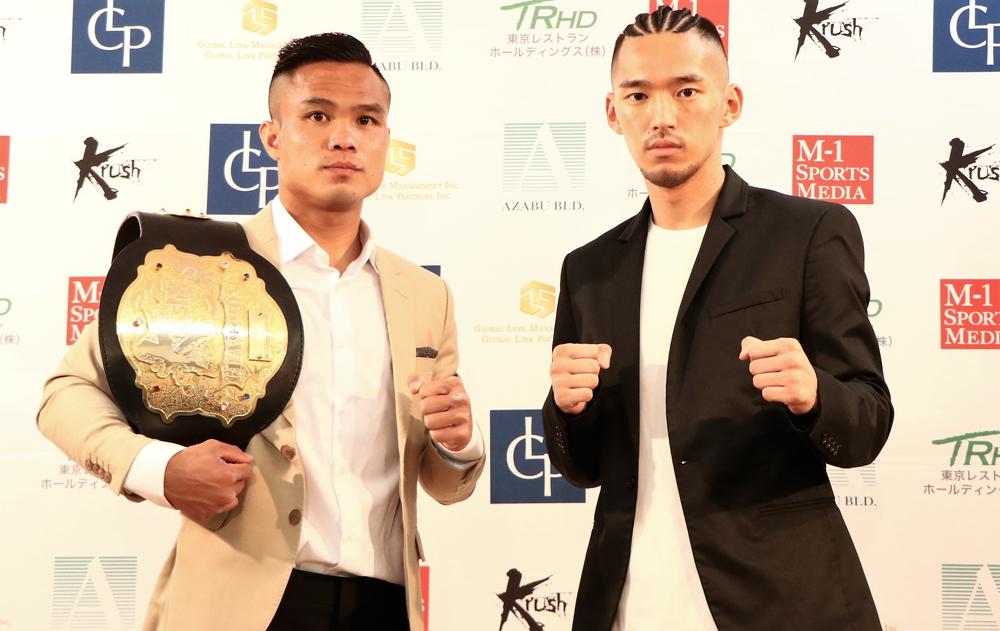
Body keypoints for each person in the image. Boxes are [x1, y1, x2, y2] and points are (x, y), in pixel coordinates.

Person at [37, 32, 484, 631]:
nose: (344, 137)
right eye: (318, 115)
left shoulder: (424, 294)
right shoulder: (202, 260)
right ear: (272, 136)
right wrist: (160, 469)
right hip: (241, 605)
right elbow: (67, 392)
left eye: (366, 119)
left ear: (385, 138)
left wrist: (458, 443)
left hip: (384, 605)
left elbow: (444, 482)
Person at [542, 6, 892, 631]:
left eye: (686, 91)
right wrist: (566, 410)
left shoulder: (808, 233)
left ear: (729, 104)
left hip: (780, 605)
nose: (662, 116)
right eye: (638, 95)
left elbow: (867, 423)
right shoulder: (588, 269)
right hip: (628, 605)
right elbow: (582, 469)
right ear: (613, 112)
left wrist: (814, 395)